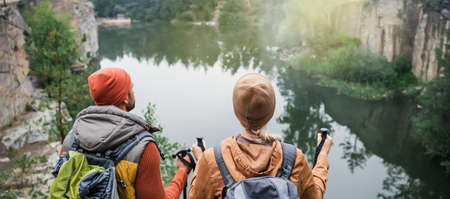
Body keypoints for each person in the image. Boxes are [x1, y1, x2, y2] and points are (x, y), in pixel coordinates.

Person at [189, 73, 333, 199]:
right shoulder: (294, 158)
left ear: (236, 110)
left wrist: (202, 161)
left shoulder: (212, 159)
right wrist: (322, 156)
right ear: (271, 110)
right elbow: (315, 196)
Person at [61, 67, 191, 199]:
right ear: (125, 98)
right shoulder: (143, 148)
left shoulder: (71, 139)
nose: (133, 92)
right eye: (131, 88)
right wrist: (182, 171)